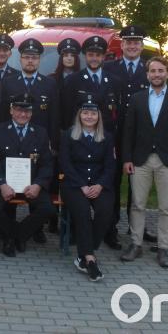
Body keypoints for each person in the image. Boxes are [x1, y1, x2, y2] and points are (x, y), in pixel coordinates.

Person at [120, 57, 168, 268]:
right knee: (137, 204)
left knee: (167, 207)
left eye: (161, 71)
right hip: (140, 160)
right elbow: (128, 132)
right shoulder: (137, 99)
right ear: (147, 74)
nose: (157, 74)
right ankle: (136, 244)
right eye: (153, 71)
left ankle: (163, 248)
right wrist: (127, 159)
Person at [102, 25, 153, 249]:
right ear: (121, 45)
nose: (132, 46)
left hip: (141, 138)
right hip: (114, 135)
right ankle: (109, 228)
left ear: (142, 46)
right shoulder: (108, 67)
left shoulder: (151, 70)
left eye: (136, 42)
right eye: (128, 42)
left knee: (138, 187)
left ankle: (136, 230)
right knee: (112, 184)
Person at [0, 93, 55, 257]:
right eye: (18, 110)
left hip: (31, 185)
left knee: (48, 209)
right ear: (11, 111)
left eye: (27, 111)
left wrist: (38, 185)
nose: (23, 114)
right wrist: (1, 184)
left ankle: (16, 235)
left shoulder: (41, 133)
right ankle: (14, 236)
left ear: (31, 113)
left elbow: (47, 164)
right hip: (5, 184)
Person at [59, 96, 115, 282]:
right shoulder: (68, 135)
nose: (89, 116)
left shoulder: (106, 137)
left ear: (98, 116)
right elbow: (65, 164)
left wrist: (100, 185)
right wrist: (82, 185)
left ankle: (83, 254)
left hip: (99, 184)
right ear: (79, 115)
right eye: (85, 113)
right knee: (82, 211)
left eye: (93, 113)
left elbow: (110, 166)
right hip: (75, 185)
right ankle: (90, 259)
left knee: (105, 211)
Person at [61, 35, 123, 133]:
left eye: (98, 55)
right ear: (85, 56)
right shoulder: (72, 80)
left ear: (103, 57)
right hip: (79, 138)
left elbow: (117, 114)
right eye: (90, 55)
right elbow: (67, 114)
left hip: (106, 138)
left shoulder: (114, 81)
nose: (94, 58)